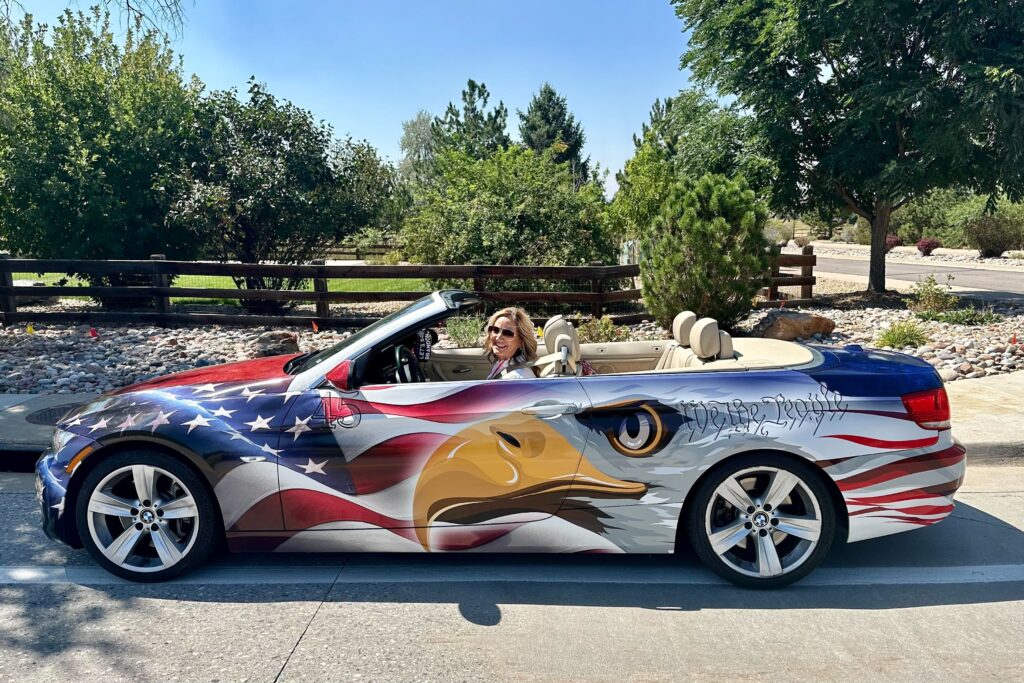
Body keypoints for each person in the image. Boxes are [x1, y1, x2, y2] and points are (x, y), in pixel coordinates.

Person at [483, 307, 538, 379]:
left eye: (507, 333)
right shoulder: (502, 363)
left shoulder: (518, 377)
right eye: (495, 330)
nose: (498, 337)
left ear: (521, 342)